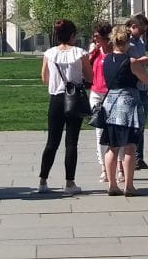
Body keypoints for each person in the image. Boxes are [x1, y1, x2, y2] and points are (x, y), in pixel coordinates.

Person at [38, 19, 93, 195]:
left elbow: (44, 78)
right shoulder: (80, 53)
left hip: (56, 98)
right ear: (72, 35)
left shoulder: (49, 53)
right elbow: (90, 76)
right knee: (71, 142)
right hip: (74, 99)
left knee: (52, 142)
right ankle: (70, 183)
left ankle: (43, 181)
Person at [100, 25, 148, 196]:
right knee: (130, 147)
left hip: (110, 105)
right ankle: (129, 186)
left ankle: (112, 185)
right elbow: (145, 79)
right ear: (127, 42)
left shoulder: (106, 59)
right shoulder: (131, 61)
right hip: (128, 105)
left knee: (112, 147)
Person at [88, 22, 113, 183]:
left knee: (115, 130)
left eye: (97, 36)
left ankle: (118, 166)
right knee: (99, 131)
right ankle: (103, 166)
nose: (95, 39)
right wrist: (92, 52)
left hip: (111, 93)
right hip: (96, 93)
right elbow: (86, 67)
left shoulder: (114, 50)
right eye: (94, 36)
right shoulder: (95, 50)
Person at [126, 14, 148, 170]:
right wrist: (142, 61)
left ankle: (139, 157)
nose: (143, 33)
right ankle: (132, 157)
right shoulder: (126, 42)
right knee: (132, 124)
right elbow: (126, 63)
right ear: (134, 26)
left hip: (142, 86)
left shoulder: (140, 42)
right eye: (142, 30)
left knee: (141, 124)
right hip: (133, 86)